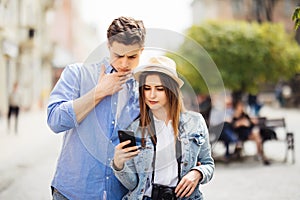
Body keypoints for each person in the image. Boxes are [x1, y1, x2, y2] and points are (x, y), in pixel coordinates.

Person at [47, 16, 146, 200]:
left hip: (119, 194)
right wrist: (98, 93)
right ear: (108, 47)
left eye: (132, 57)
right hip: (72, 192)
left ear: (141, 51)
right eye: (118, 56)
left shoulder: (143, 90)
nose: (124, 64)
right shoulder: (77, 74)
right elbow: (54, 121)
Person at [111, 56, 214, 200]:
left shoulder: (195, 122)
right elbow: (133, 184)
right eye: (147, 88)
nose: (151, 95)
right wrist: (118, 164)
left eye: (159, 88)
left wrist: (198, 173)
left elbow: (208, 163)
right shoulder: (135, 129)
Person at [231, 99, 270, 165]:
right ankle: (261, 155)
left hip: (249, 133)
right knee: (257, 137)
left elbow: (250, 124)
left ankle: (261, 155)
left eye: (242, 106)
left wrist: (250, 122)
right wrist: (240, 123)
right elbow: (233, 126)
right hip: (241, 135)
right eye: (240, 106)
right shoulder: (234, 116)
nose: (241, 108)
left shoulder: (244, 115)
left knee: (257, 137)